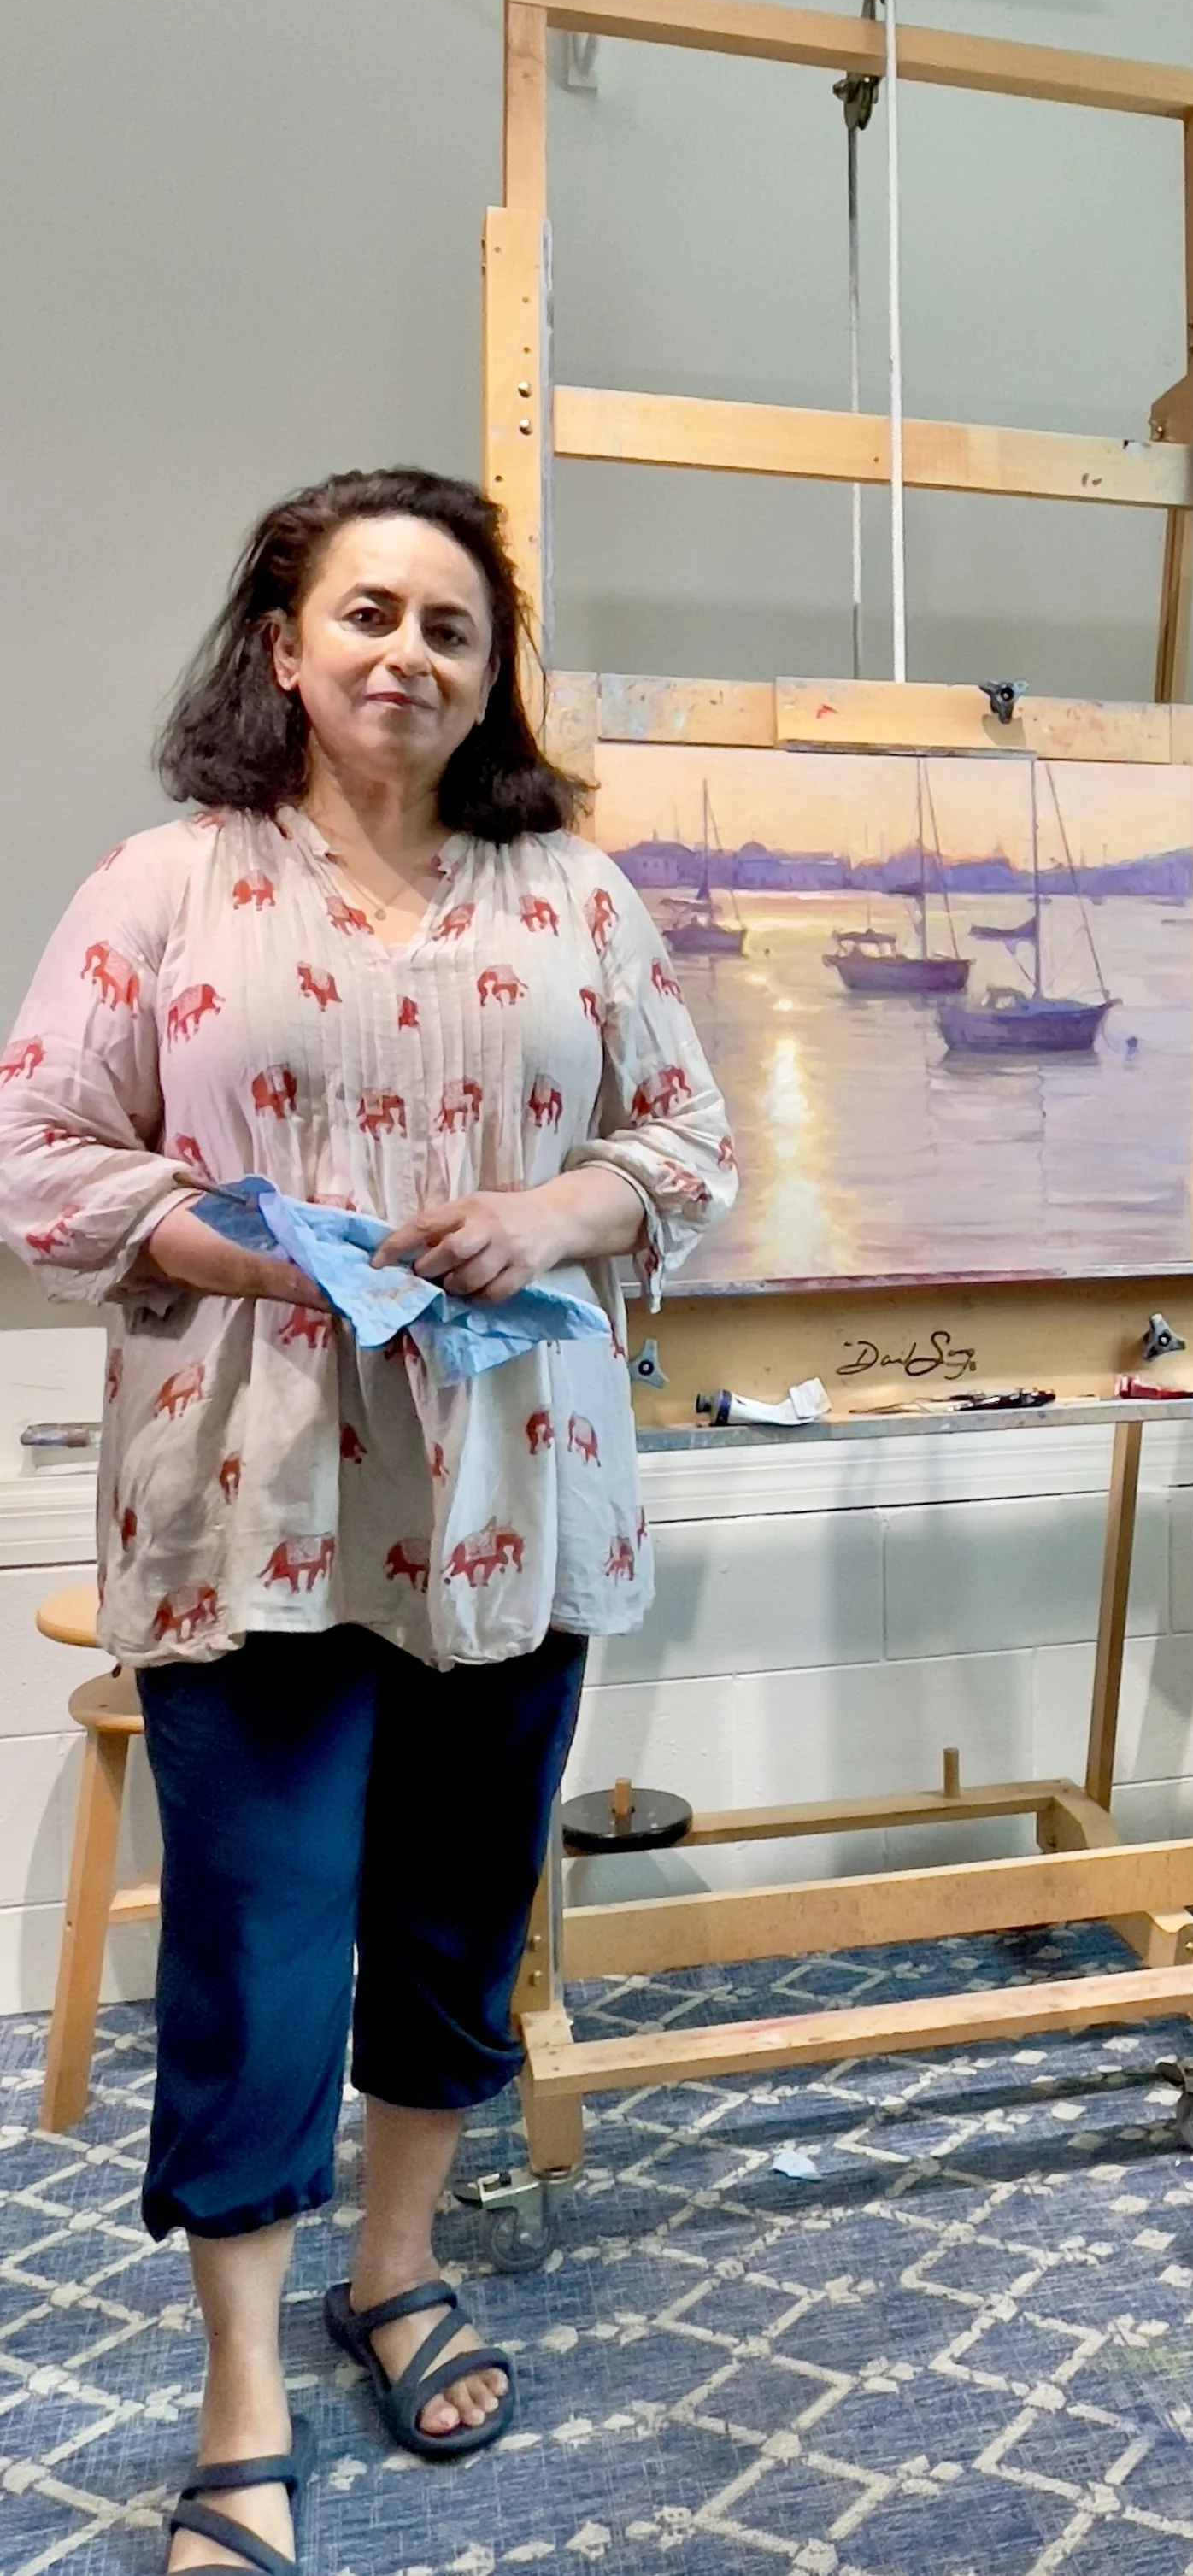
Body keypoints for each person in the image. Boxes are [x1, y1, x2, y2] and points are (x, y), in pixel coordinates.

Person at [0, 467, 737, 2574]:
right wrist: (249, 1248)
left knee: (450, 1921)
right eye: (368, 613)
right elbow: (40, 1152)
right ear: (284, 645)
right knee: (256, 1947)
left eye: (450, 626)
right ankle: (240, 2389)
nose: (407, 652)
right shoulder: (167, 882)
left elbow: (686, 1139)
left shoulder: (575, 893)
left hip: (516, 1492)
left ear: (490, 677)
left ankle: (395, 2269)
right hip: (250, 1502)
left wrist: (551, 1213)